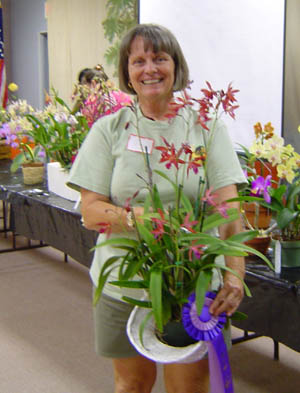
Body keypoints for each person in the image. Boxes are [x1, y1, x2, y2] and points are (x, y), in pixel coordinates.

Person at [67, 24, 246, 393]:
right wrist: (140, 220)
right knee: (132, 384)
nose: (150, 68)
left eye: (160, 58)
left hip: (192, 286)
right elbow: (90, 211)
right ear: (127, 73)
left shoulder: (206, 128)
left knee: (190, 387)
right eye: (139, 61)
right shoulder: (109, 130)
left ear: (176, 66)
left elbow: (229, 209)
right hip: (126, 286)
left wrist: (235, 276)